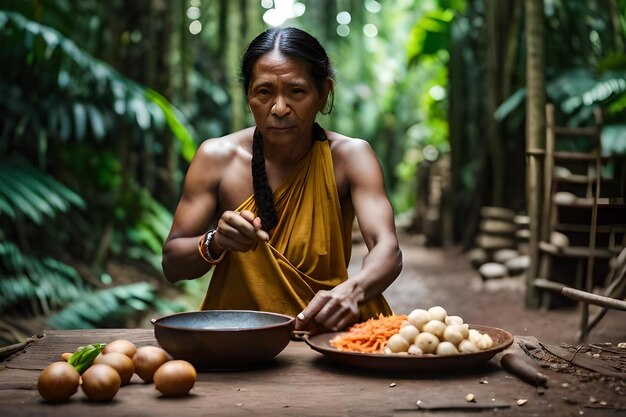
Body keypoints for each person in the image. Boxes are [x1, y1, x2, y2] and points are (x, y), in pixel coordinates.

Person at [162, 27, 402, 333]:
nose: (279, 108)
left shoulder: (351, 158)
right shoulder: (216, 158)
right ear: (248, 96)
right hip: (240, 342)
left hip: (328, 337)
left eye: (296, 92)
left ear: (323, 94)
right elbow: (172, 264)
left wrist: (353, 291)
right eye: (264, 92)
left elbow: (386, 247)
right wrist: (215, 242)